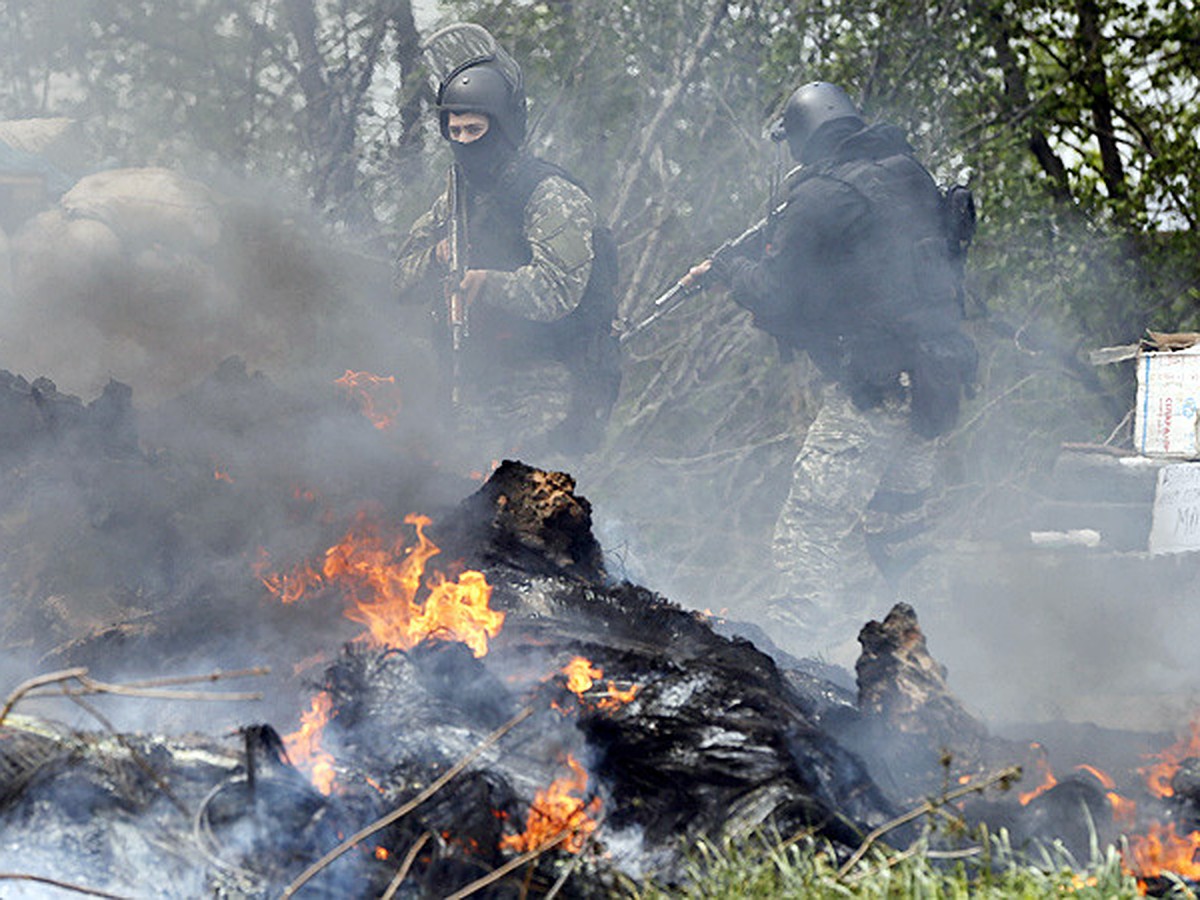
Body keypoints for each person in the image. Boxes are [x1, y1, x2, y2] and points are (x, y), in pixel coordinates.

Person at [687, 81, 978, 658]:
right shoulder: (906, 172)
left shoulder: (821, 197)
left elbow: (781, 295)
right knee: (904, 533)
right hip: (933, 383)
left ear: (802, 138)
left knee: (811, 526)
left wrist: (728, 268)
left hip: (872, 390)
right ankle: (936, 654)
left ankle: (790, 656)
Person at [394, 28, 619, 466]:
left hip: (550, 382)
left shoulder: (549, 194)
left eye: (474, 129)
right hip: (477, 379)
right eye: (454, 131)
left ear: (503, 126)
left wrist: (486, 283)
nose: (462, 142)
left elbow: (559, 291)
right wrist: (435, 260)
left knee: (525, 510)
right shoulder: (457, 196)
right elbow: (400, 275)